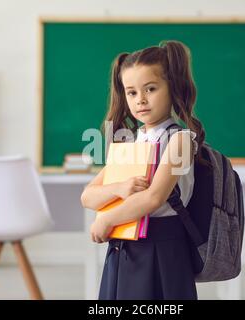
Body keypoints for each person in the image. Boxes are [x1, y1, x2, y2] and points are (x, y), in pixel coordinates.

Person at [80, 40, 212, 300]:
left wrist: (107, 218)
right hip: (124, 246)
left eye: (150, 89)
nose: (140, 99)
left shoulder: (181, 140)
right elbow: (87, 196)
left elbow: (154, 197)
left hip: (162, 248)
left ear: (171, 88)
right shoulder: (130, 141)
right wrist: (120, 188)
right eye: (131, 92)